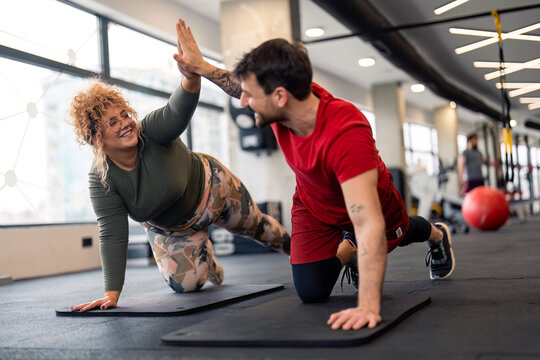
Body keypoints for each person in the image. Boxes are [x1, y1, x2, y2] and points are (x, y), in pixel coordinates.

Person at [174, 19, 455, 330]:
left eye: (250, 96)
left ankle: (436, 233)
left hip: (369, 204)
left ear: (280, 97)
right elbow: (238, 85)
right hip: (312, 204)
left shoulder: (345, 132)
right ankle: (350, 248)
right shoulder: (288, 97)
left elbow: (368, 221)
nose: (243, 101)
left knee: (397, 234)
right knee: (311, 292)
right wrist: (199, 66)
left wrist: (367, 306)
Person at [68, 21, 290, 313]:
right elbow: (112, 232)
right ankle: (205, 256)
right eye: (113, 122)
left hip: (214, 190)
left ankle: (305, 252)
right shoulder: (102, 180)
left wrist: (191, 75)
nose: (125, 123)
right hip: (173, 230)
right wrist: (112, 293)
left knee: (261, 230)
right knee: (187, 286)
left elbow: (178, 108)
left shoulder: (151, 130)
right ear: (96, 137)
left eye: (124, 115)